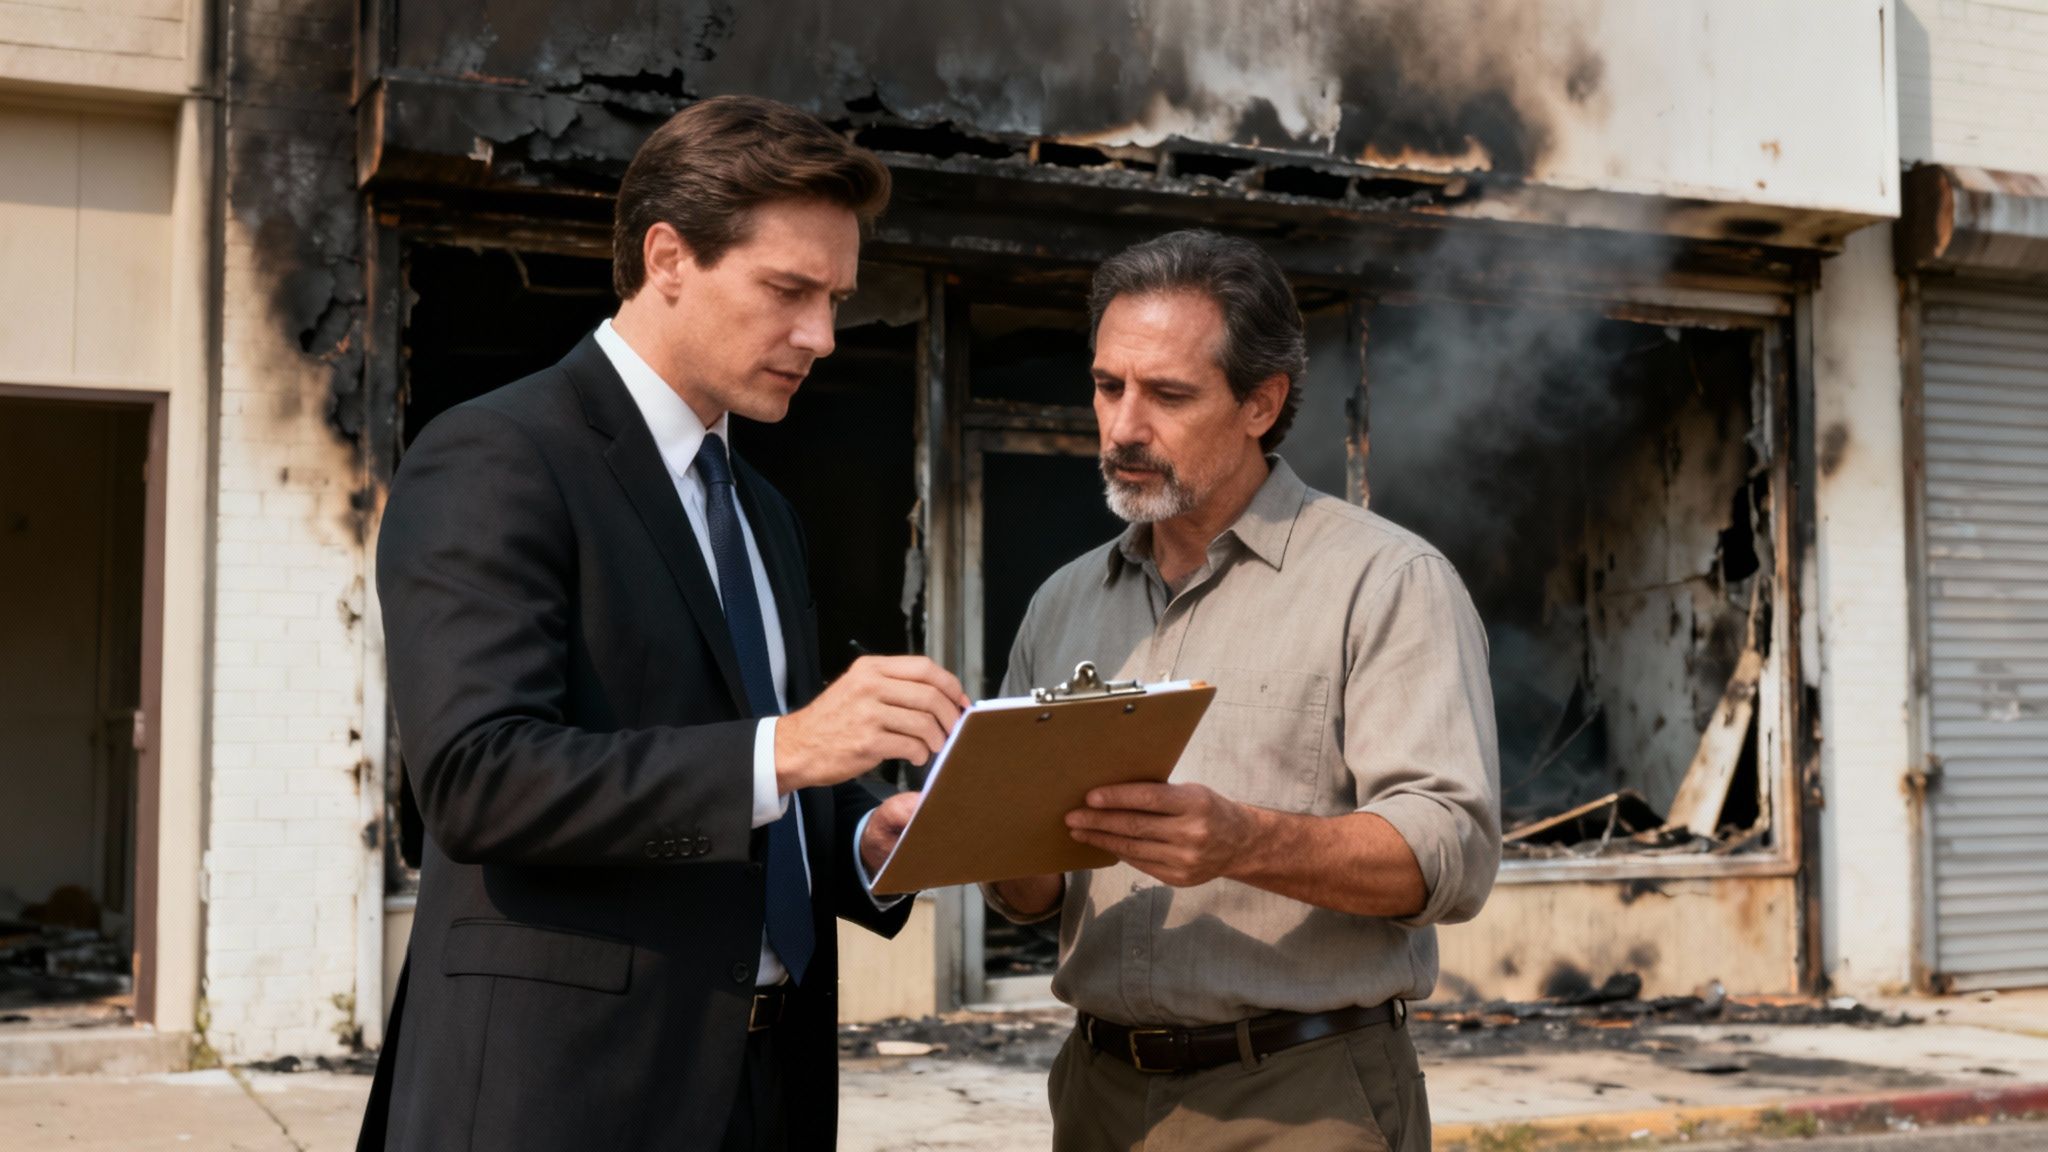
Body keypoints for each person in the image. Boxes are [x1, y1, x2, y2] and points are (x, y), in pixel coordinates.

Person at [359, 95, 969, 1152]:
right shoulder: (499, 456)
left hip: (765, 1085)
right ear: (667, 255)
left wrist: (864, 835)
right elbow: (476, 779)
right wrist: (792, 747)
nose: (820, 337)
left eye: (834, 298)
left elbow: (746, 782)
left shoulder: (761, 508)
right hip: (561, 1096)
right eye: (788, 290)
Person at [985, 230, 1501, 1151]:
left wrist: (1242, 840)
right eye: (1108, 387)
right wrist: (975, 825)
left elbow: (1450, 853)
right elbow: (1028, 895)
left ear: (1261, 403)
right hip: (1095, 1096)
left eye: (1169, 395)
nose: (1122, 428)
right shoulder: (1063, 602)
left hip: (1303, 1101)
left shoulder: (1385, 581)